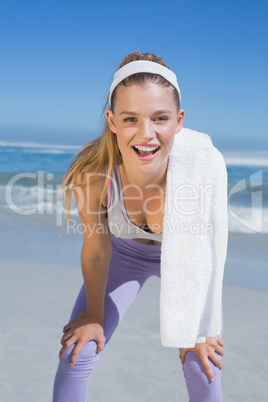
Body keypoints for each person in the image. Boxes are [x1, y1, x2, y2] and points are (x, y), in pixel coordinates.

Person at [52, 52, 226, 402]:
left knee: (201, 362)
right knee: (77, 352)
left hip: (187, 260)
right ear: (112, 121)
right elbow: (98, 251)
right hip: (123, 256)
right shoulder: (94, 175)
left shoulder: (201, 167)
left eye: (159, 118)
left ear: (178, 121)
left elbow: (212, 249)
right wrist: (94, 315)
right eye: (130, 118)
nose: (146, 134)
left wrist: (204, 327)